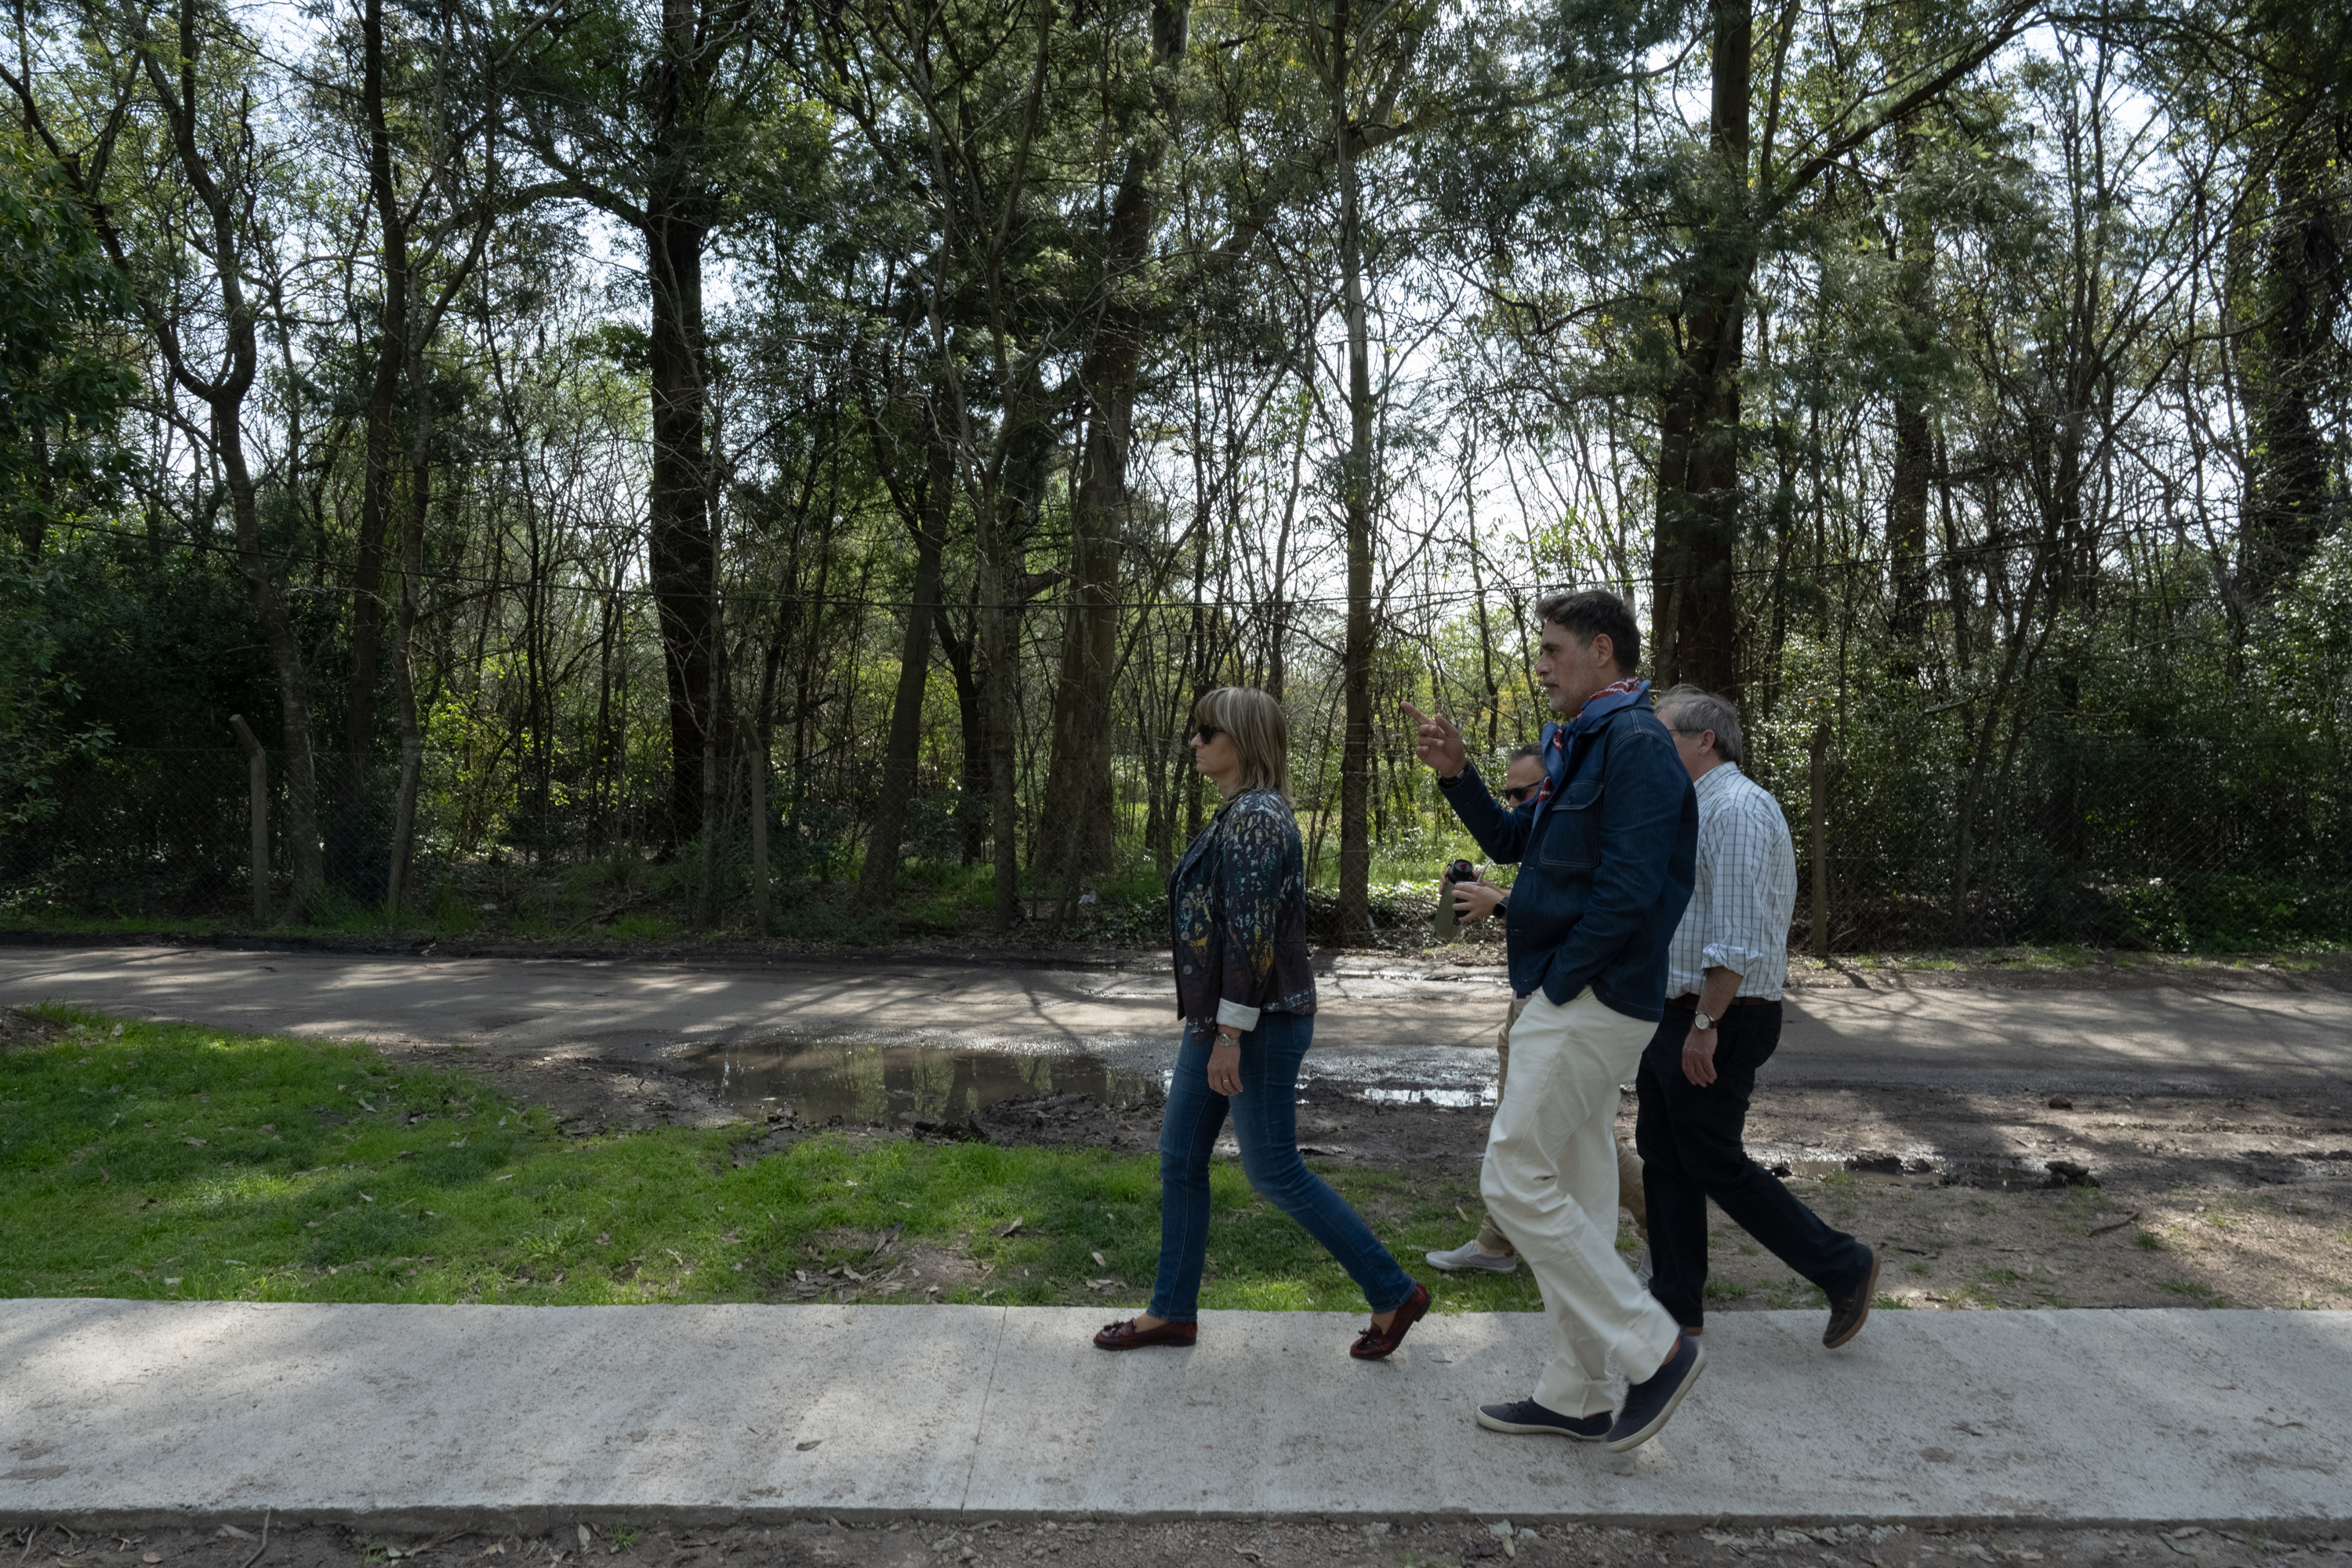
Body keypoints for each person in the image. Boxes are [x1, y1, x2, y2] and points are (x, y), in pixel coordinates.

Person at [1404, 588, 1702, 1454]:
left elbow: (1629, 892)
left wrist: (1559, 984)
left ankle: (1656, 1350)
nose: (1540, 666)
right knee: (1576, 1192)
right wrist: (1456, 771)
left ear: (1602, 650)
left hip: (1589, 997)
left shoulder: (1640, 745)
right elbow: (1512, 843)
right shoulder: (1585, 742)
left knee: (1510, 1178)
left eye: (1552, 650)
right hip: (1575, 990)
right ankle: (1576, 1390)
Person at [1094, 685, 1431, 1358]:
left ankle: (1393, 1292)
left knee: (1273, 1170)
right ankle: (1172, 1313)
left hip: (1255, 1025)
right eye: (1195, 731)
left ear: (1242, 741)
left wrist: (1228, 1035)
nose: (1194, 741)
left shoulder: (1255, 819)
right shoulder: (1238, 813)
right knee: (1180, 1160)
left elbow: (1249, 938)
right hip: (1220, 1021)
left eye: (1207, 731)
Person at [1641, 686, 1880, 1347]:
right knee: (1663, 1155)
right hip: (1679, 1013)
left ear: (1703, 740)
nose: (1655, 749)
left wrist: (1704, 1026)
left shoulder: (1741, 808)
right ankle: (1676, 1301)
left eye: (1665, 737)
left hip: (1719, 1017)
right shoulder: (1697, 806)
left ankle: (1843, 1264)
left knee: (1712, 1159)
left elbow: (1741, 933)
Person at [1425, 746, 1652, 1280]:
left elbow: (1592, 916)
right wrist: (1477, 900)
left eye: (1522, 793)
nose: (1514, 805)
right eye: (1508, 794)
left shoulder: (1597, 827)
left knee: (1561, 1135)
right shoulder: (1544, 831)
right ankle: (1498, 1242)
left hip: (1571, 1009)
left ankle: (1664, 1225)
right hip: (1530, 1006)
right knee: (1527, 1132)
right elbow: (1512, 855)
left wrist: (1503, 902)